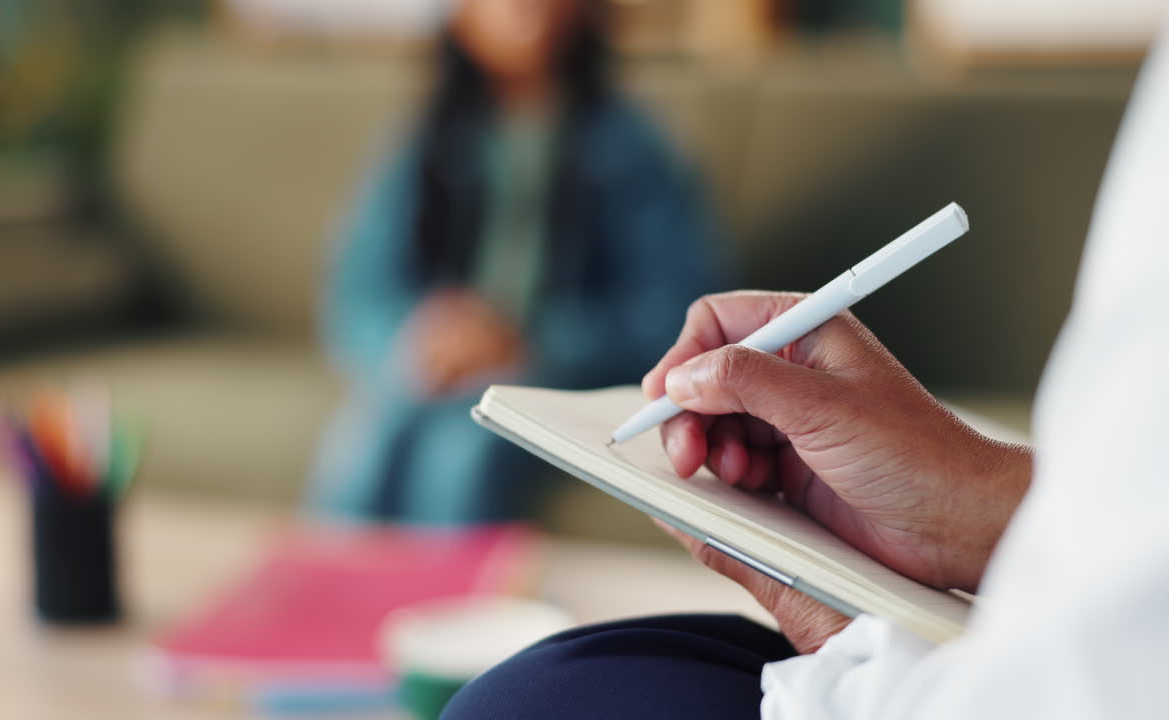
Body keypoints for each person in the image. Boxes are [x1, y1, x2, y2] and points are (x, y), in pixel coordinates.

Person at [442, 20, 1169, 720]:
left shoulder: (623, 143)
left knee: (528, 696)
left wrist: (859, 659)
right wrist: (980, 501)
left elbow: (1100, 673)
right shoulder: (441, 136)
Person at [312, 0, 721, 525]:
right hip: (433, 371)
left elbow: (673, 312)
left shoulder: (631, 146)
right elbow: (358, 290)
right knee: (366, 442)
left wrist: (532, 340)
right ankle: (340, 605)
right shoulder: (424, 140)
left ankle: (456, 608)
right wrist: (420, 338)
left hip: (554, 378)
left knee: (462, 452)